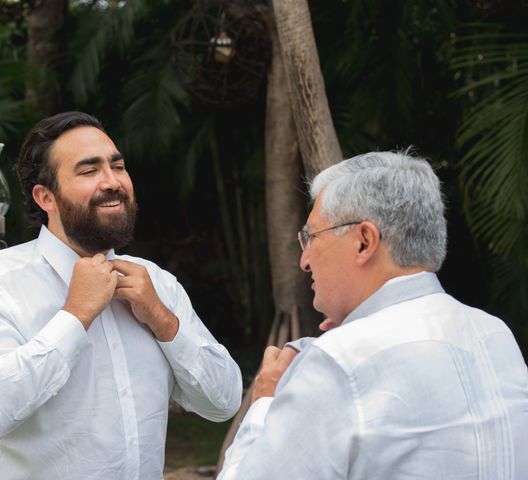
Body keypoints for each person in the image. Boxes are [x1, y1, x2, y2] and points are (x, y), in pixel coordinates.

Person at [0, 111, 242, 480]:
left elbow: (223, 404)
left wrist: (164, 321)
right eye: (89, 171)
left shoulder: (156, 284)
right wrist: (75, 316)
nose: (112, 182)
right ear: (46, 198)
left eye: (117, 167)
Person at [218, 150, 528, 479]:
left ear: (364, 242)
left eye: (311, 237)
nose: (304, 260)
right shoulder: (494, 334)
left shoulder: (340, 360)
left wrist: (265, 398)